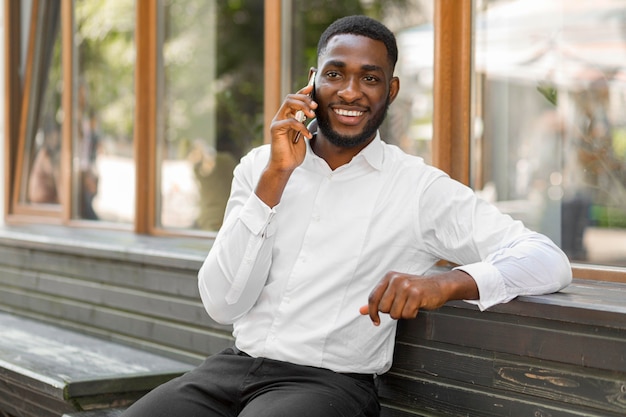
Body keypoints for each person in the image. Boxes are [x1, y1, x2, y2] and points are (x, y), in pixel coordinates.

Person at [122, 15, 572, 417]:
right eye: (335, 74)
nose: (351, 91)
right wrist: (276, 177)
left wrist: (447, 283)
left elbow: (546, 258)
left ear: (390, 90)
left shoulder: (417, 188)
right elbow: (222, 303)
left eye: (370, 78)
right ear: (313, 82)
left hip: (326, 385)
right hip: (232, 367)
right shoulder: (261, 166)